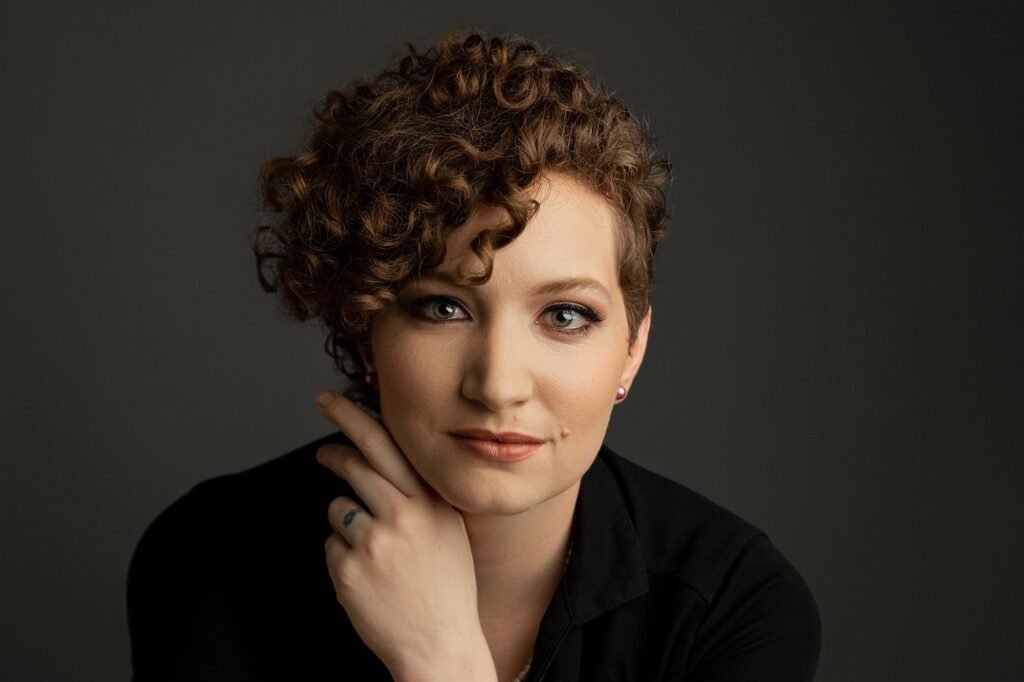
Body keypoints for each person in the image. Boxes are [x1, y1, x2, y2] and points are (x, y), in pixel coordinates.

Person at [126, 30, 821, 681]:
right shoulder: (208, 558)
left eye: (565, 315)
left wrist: (441, 656)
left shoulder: (735, 609)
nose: (498, 385)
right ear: (365, 329)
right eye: (443, 308)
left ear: (632, 349)